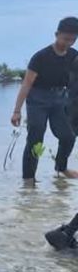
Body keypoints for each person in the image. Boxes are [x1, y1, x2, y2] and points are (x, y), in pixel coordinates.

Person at [12, 17, 78, 181]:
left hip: (59, 99)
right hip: (37, 100)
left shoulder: (73, 55)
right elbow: (26, 84)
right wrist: (17, 111)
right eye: (65, 38)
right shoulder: (41, 57)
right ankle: (28, 179)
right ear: (57, 34)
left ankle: (61, 168)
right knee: (35, 138)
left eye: (73, 39)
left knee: (68, 136)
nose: (68, 43)